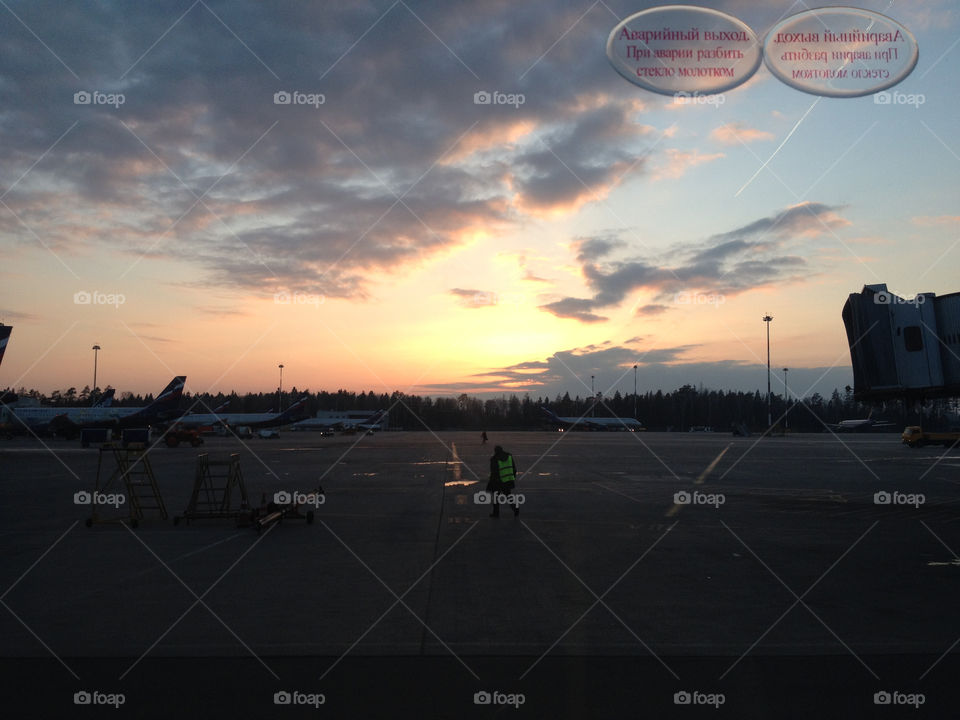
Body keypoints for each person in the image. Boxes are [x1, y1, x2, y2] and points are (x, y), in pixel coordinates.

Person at [487, 445, 519, 518]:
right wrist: (512, 477)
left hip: (497, 482)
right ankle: (515, 509)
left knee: (496, 498)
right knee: (508, 496)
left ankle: (496, 513)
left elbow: (494, 471)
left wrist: (492, 482)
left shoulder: (494, 459)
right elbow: (514, 468)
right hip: (507, 480)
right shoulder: (509, 457)